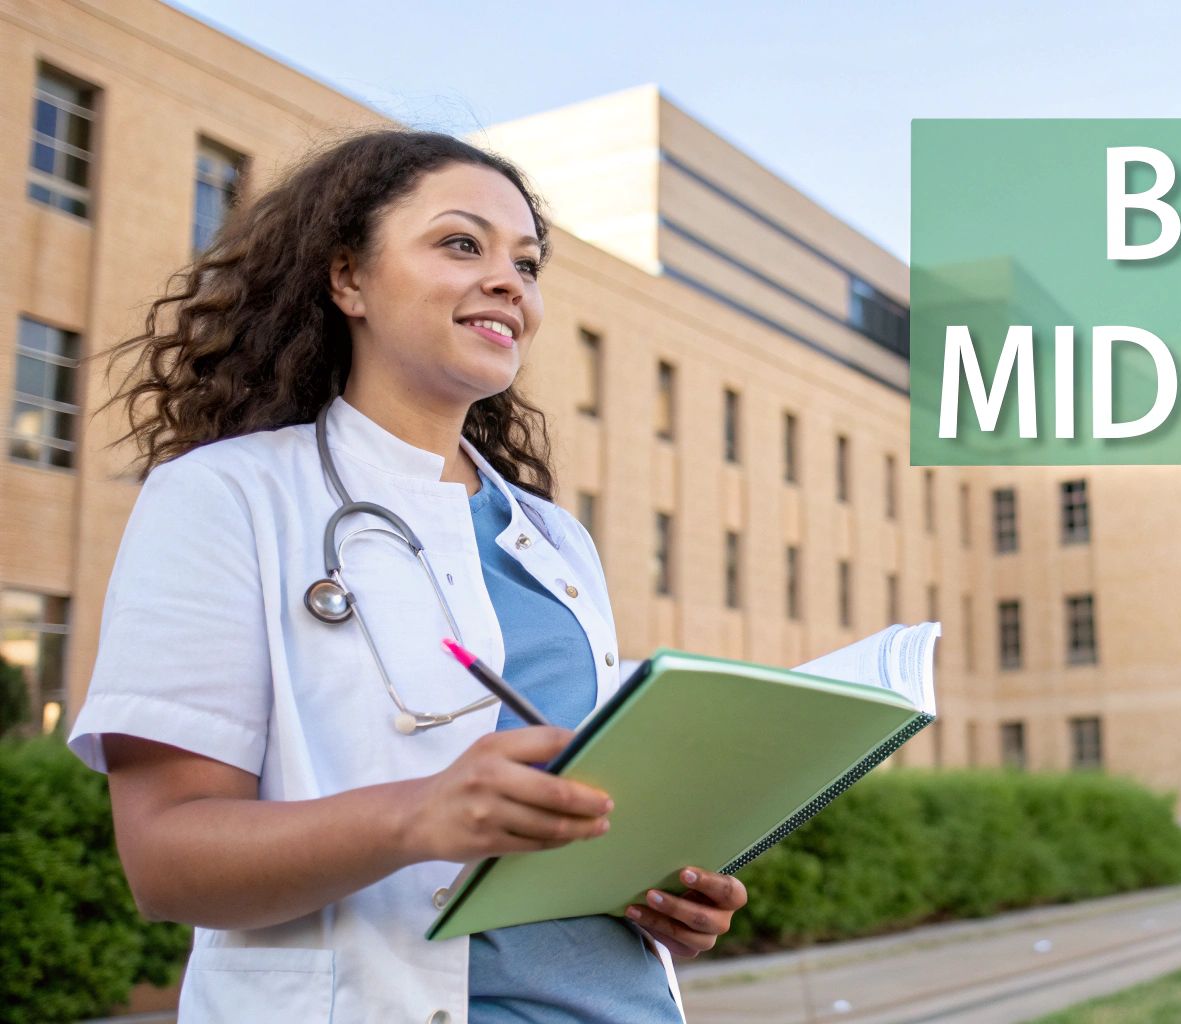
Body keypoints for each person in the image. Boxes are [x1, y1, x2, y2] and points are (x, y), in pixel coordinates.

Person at [66, 129, 744, 1022]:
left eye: (527, 264)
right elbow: (166, 860)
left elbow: (564, 820)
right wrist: (417, 816)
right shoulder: (225, 497)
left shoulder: (555, 538)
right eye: (462, 244)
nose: (510, 281)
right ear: (347, 279)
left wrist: (654, 891)